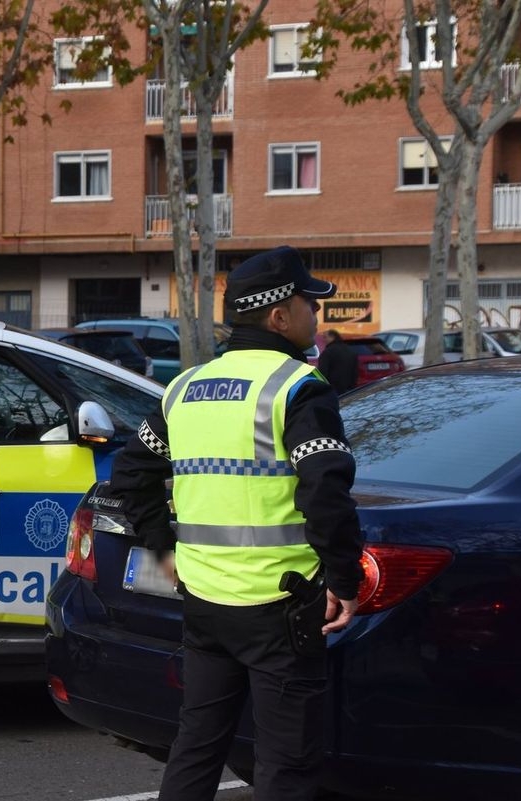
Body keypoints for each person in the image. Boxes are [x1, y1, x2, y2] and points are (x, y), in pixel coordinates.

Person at [109, 245, 364, 801]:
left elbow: (131, 476)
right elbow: (324, 490)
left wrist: (164, 552)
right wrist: (345, 581)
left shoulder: (185, 389)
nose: (316, 316)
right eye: (309, 304)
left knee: (198, 745)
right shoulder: (298, 387)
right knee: (286, 766)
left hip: (204, 601)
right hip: (282, 606)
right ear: (280, 316)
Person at [317, 329, 358, 395]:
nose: (324, 340)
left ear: (332, 337)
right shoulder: (350, 350)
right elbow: (355, 372)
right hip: (349, 390)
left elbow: (322, 373)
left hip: (333, 390)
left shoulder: (328, 352)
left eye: (325, 337)